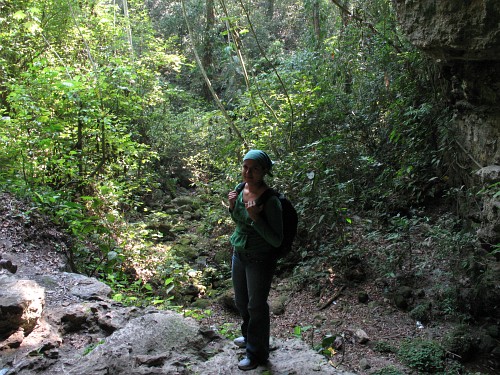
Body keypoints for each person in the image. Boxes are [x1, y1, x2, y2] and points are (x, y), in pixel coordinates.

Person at [227, 149, 283, 371]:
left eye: (254, 168)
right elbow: (238, 221)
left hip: (260, 258)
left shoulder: (270, 201)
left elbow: (276, 240)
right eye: (245, 167)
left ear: (264, 171)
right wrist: (233, 207)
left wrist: (256, 218)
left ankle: (257, 353)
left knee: (256, 306)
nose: (248, 172)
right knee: (241, 302)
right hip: (239, 253)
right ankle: (250, 336)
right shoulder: (241, 189)